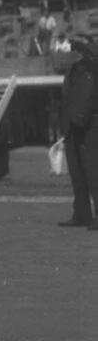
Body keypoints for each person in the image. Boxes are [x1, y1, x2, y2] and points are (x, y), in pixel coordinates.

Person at [57, 35, 98, 229]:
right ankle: (81, 214)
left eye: (75, 47)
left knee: (93, 172)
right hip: (72, 126)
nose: (72, 50)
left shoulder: (93, 66)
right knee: (77, 174)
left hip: (90, 126)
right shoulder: (72, 69)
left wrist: (83, 44)